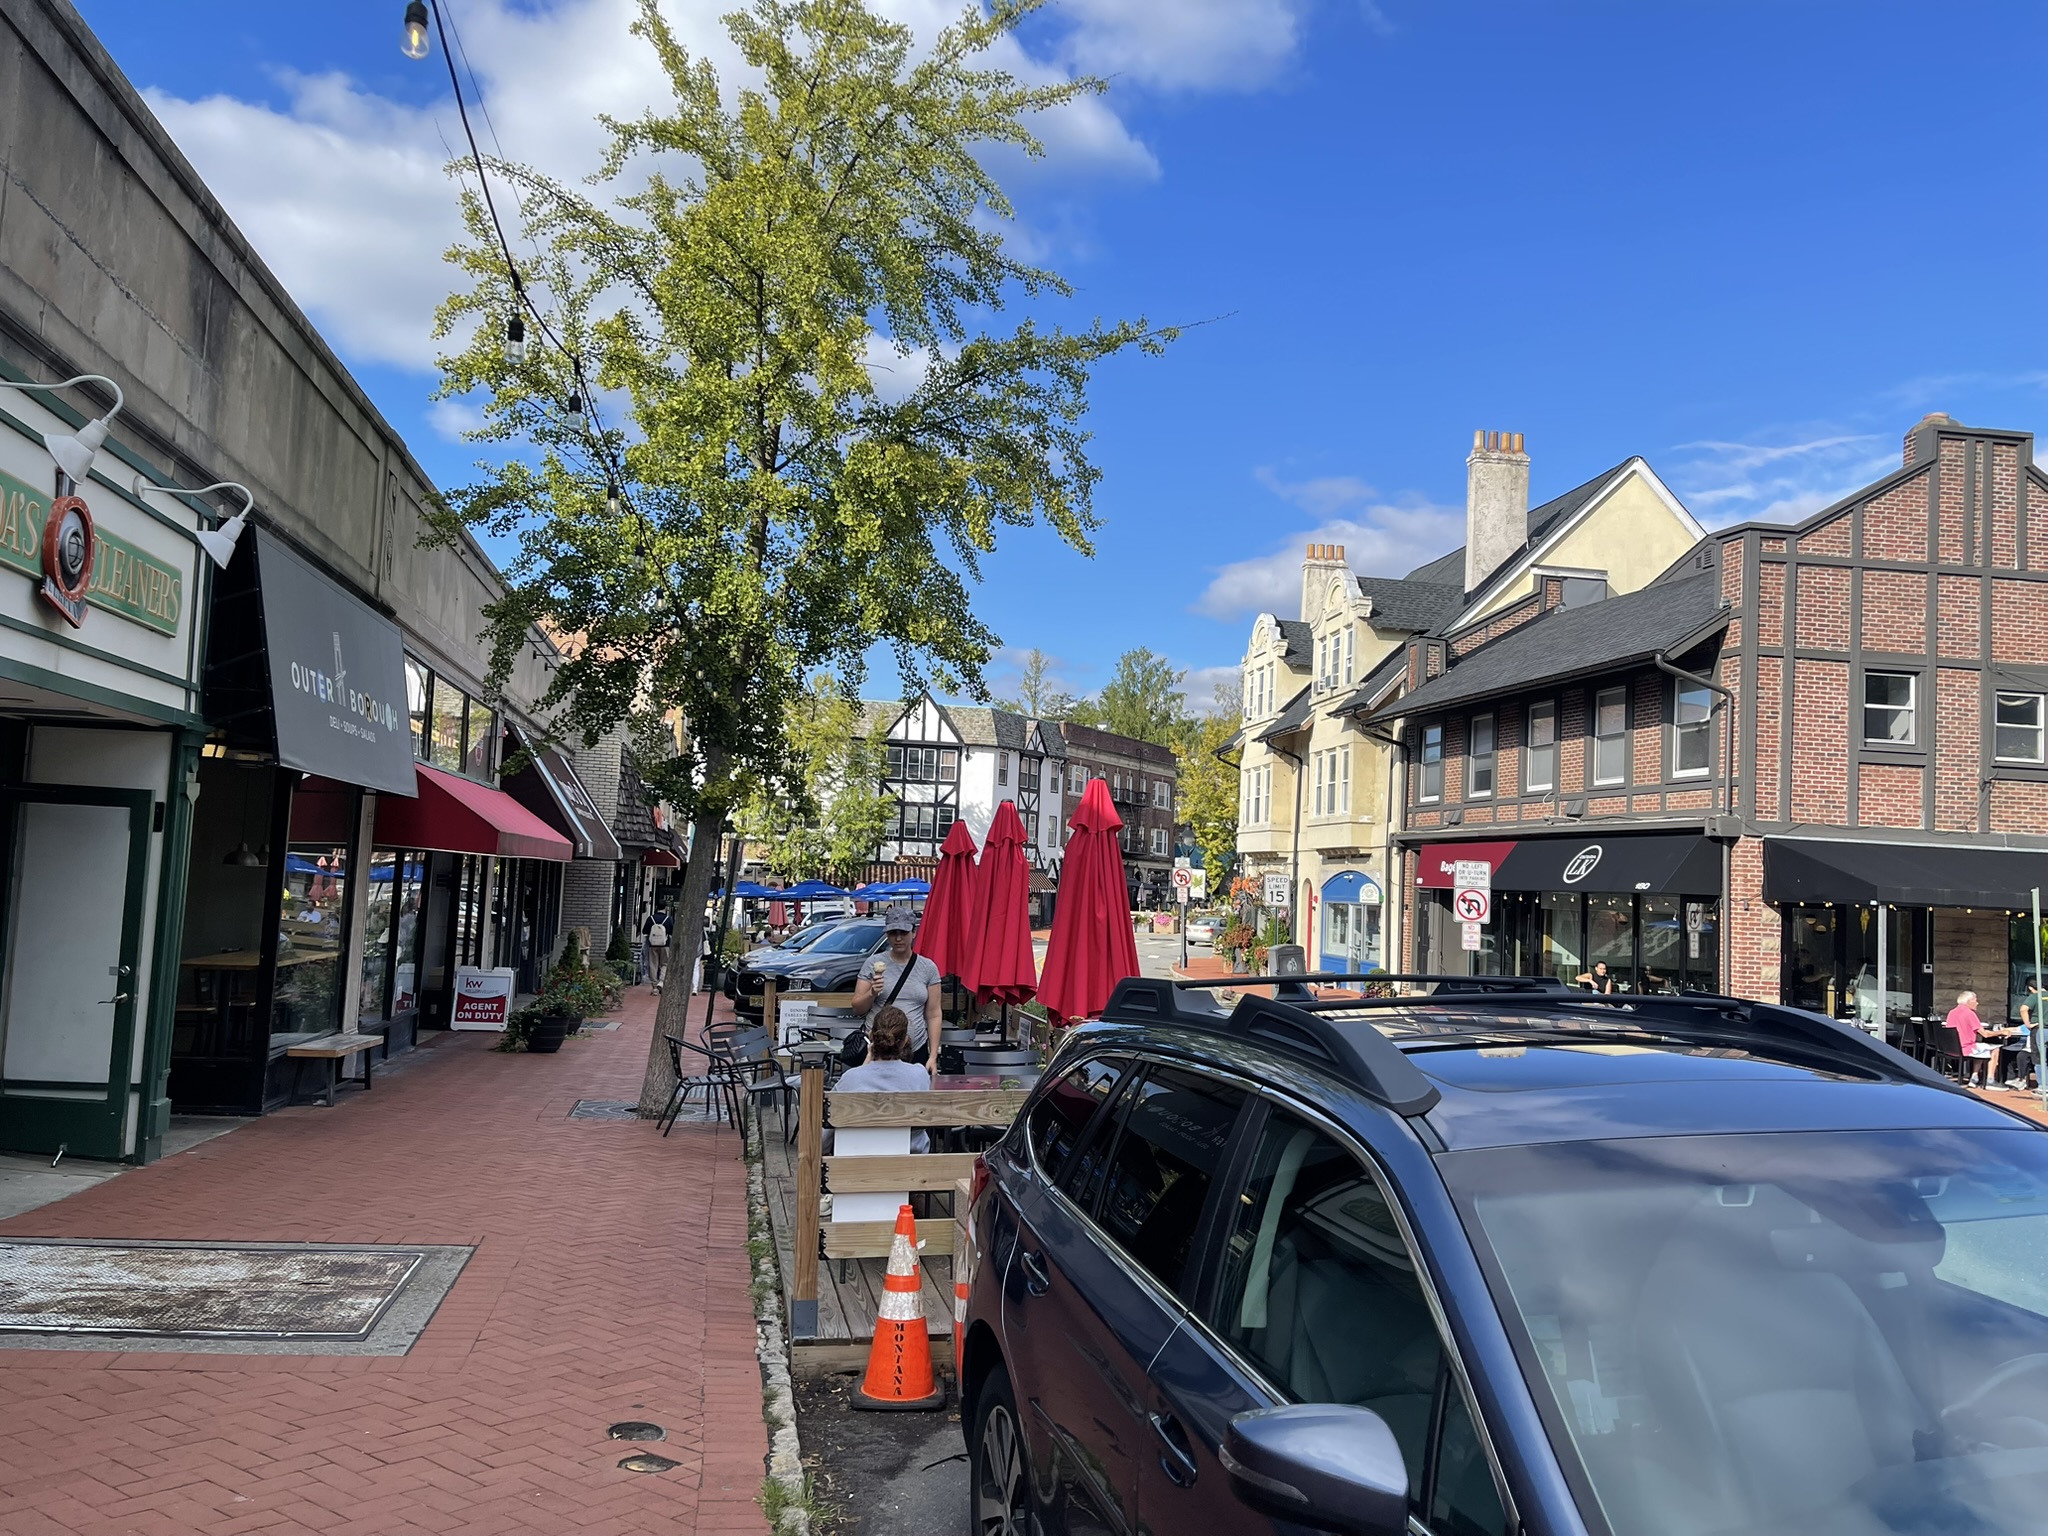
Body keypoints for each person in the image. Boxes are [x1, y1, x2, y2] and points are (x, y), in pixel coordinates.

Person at [850, 905, 942, 1076]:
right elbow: (857, 1008)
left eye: (903, 932)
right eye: (893, 933)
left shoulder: (927, 968)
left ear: (913, 933)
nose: (898, 938)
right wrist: (871, 993)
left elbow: (934, 1014)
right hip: (877, 1047)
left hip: (915, 1047)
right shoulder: (873, 963)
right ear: (887, 935)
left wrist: (933, 1055)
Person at [834, 1006, 931, 1152]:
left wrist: (866, 1062)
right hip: (910, 1164)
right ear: (905, 1041)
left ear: (871, 1036)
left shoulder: (851, 1079)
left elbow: (824, 1138)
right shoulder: (919, 1074)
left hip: (857, 1164)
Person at [1947, 990, 2000, 1088]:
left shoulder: (1952, 1012)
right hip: (1966, 1048)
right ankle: (1990, 1080)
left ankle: (1974, 1076)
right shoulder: (1970, 1013)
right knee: (1995, 1048)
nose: (1977, 1003)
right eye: (1975, 1000)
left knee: (1981, 1047)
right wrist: (2001, 1032)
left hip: (1951, 1048)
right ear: (1969, 1001)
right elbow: (1985, 1034)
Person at [642, 905, 672, 992]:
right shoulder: (668, 919)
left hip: (652, 945)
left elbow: (645, 931)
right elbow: (671, 931)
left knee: (653, 964)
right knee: (665, 964)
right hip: (665, 945)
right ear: (666, 908)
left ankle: (654, 986)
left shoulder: (651, 918)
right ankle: (661, 982)